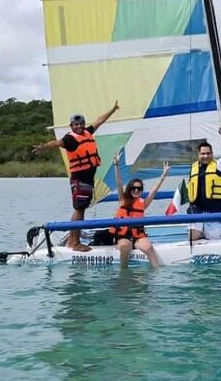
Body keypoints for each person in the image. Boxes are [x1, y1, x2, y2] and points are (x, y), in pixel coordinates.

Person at [33, 100, 119, 252]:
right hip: (79, 178)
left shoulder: (88, 132)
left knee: (82, 208)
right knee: (79, 208)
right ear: (71, 126)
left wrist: (112, 110)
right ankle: (74, 242)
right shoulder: (69, 139)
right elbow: (56, 142)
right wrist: (43, 147)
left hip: (88, 177)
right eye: (75, 124)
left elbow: (100, 121)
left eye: (81, 124)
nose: (79, 126)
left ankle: (74, 240)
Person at [110, 154, 169, 269]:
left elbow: (154, 190)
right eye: (134, 188)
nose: (136, 190)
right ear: (129, 189)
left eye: (139, 188)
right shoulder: (122, 199)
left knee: (149, 248)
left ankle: (156, 272)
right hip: (122, 235)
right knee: (126, 246)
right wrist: (116, 165)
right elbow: (119, 183)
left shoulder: (143, 203)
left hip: (138, 235)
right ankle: (123, 272)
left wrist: (163, 176)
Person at [187, 126, 221, 240]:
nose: (205, 156)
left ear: (212, 154)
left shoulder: (219, 166)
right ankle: (200, 231)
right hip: (196, 212)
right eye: (203, 154)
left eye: (208, 153)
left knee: (212, 238)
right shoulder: (193, 168)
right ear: (198, 154)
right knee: (193, 237)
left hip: (214, 212)